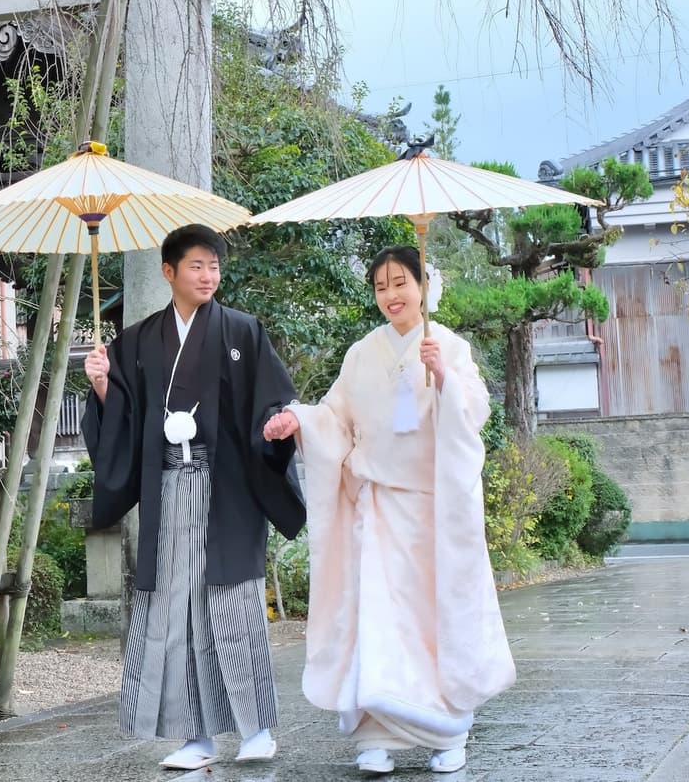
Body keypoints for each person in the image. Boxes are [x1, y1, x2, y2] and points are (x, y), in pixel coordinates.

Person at [262, 245, 515, 775]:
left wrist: (443, 376)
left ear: (423, 286)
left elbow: (474, 413)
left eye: (401, 283)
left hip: (429, 510)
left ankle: (447, 733)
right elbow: (335, 416)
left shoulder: (449, 345)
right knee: (372, 618)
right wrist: (298, 420)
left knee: (430, 618)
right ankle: (374, 735)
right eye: (381, 287)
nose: (391, 295)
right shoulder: (362, 353)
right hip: (374, 507)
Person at [82, 223, 306, 770]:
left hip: (227, 490)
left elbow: (272, 402)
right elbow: (125, 419)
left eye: (214, 266)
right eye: (196, 266)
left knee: (233, 606)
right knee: (175, 611)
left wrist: (279, 425)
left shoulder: (242, 331)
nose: (208, 276)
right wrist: (104, 385)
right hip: (167, 491)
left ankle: (256, 729)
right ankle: (194, 737)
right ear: (169, 272)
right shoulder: (137, 340)